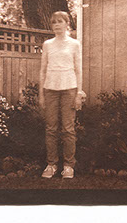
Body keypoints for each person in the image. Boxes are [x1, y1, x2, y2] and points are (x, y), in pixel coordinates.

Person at [39, 11, 84, 179]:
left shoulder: (74, 44)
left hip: (69, 88)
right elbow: (43, 70)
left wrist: (78, 93)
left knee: (68, 128)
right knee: (51, 128)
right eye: (54, 22)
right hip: (50, 89)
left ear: (67, 24)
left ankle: (68, 166)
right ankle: (51, 165)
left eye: (60, 22)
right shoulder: (48, 44)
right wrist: (41, 95)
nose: (57, 25)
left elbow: (78, 70)